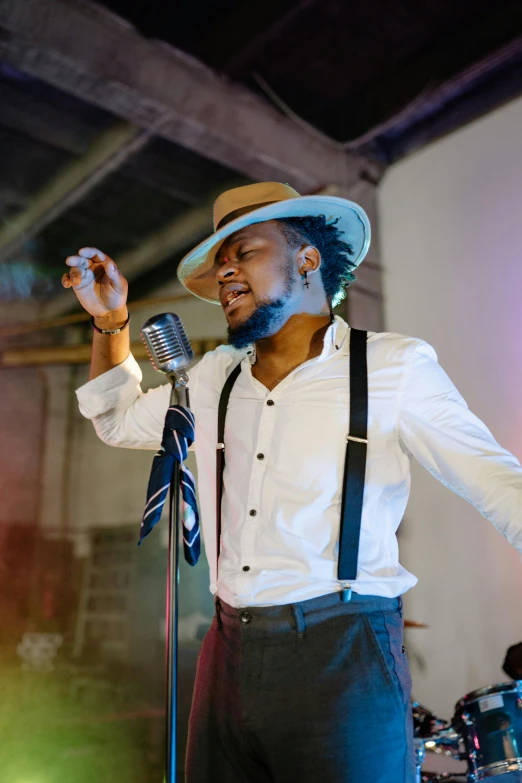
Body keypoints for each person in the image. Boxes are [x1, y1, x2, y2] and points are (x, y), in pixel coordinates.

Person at [63, 182, 522, 783]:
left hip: (344, 647)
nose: (224, 272)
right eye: (219, 263)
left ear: (307, 258)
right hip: (227, 646)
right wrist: (111, 322)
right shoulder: (213, 376)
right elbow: (116, 420)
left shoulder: (391, 366)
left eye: (243, 252)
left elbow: (495, 480)